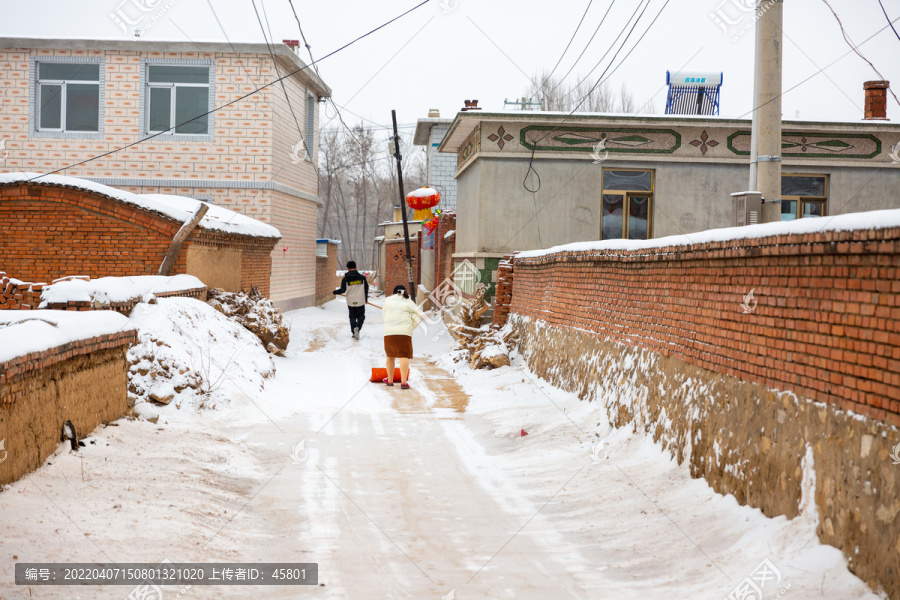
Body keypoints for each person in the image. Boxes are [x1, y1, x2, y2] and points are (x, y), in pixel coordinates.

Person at [382, 284, 421, 389]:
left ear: (394, 292)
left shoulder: (388, 301)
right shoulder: (409, 302)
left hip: (389, 332)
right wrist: (411, 326)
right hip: (404, 332)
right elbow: (420, 315)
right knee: (403, 355)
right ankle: (403, 381)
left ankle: (390, 380)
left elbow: (384, 315)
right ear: (405, 292)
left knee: (390, 355)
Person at [333, 261, 369, 340]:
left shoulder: (345, 278)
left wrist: (334, 292)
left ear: (348, 269)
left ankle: (354, 331)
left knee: (352, 317)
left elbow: (342, 290)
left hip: (350, 301)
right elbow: (366, 288)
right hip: (360, 300)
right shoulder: (362, 278)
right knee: (361, 317)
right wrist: (366, 299)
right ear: (356, 268)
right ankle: (358, 328)